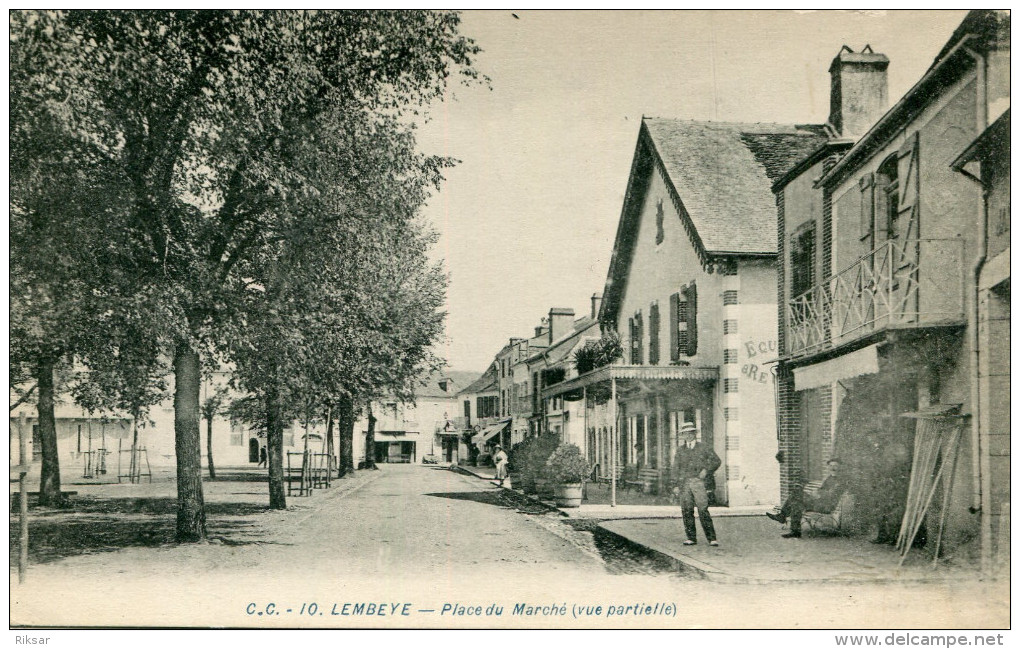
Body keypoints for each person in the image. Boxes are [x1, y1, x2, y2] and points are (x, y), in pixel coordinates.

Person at [767, 458, 846, 538]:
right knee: (796, 503)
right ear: (828, 467)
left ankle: (782, 516)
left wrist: (818, 494)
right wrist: (816, 493)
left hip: (826, 506)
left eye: (835, 466)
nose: (833, 468)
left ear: (840, 467)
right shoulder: (830, 478)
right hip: (818, 502)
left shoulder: (841, 480)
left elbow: (832, 494)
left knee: (796, 494)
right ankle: (795, 531)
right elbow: (822, 490)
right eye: (831, 465)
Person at [672, 423, 721, 547]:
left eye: (690, 433)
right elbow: (675, 469)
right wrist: (675, 485)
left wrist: (706, 470)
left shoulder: (704, 447)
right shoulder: (680, 450)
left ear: (695, 434)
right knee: (686, 510)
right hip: (684, 484)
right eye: (685, 433)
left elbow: (716, 461)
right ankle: (691, 538)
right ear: (682, 435)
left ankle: (712, 538)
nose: (688, 435)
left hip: (699, 483)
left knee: (703, 509)